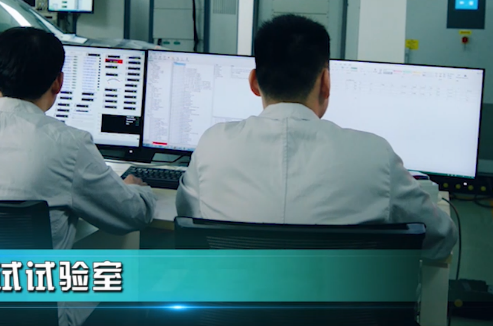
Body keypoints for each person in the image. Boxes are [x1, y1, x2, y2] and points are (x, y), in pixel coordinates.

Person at [175, 14, 457, 261]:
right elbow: (440, 240)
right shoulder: (376, 155)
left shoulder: (212, 146)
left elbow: (187, 215)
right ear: (325, 82)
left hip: (233, 304)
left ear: (254, 83)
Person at [0, 28, 155, 325]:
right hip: (34, 315)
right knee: (122, 259)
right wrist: (135, 189)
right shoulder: (68, 144)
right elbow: (134, 216)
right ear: (58, 83)